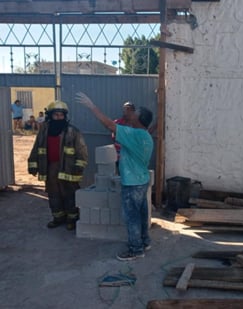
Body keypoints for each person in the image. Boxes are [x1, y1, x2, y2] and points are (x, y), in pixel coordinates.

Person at [76, 92, 153, 261]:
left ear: (139, 119)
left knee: (131, 217)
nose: (131, 114)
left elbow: (110, 125)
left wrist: (92, 106)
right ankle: (145, 241)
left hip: (132, 183)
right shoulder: (146, 136)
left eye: (135, 113)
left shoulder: (134, 135)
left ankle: (135, 249)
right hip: (142, 180)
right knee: (141, 214)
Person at [28, 100, 88, 231]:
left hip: (68, 168)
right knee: (53, 195)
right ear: (50, 116)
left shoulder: (73, 131)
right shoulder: (44, 131)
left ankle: (72, 218)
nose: (59, 117)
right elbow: (36, 147)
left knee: (70, 195)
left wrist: (79, 166)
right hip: (50, 168)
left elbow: (82, 150)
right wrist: (32, 164)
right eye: (56, 115)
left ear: (65, 116)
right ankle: (58, 218)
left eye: (61, 115)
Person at [112, 101, 136, 174]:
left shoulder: (136, 125)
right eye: (125, 109)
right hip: (119, 157)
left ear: (133, 111)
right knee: (120, 178)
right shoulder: (117, 123)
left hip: (132, 158)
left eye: (129, 109)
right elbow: (114, 137)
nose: (126, 111)